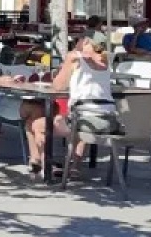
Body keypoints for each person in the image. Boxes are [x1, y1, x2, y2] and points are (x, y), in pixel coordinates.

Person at [29, 31, 117, 175]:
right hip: (108, 120)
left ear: (86, 42)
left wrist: (66, 65)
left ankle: (46, 168)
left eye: (79, 39)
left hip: (84, 121)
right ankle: (74, 166)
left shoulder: (74, 58)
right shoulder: (106, 61)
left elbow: (58, 87)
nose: (76, 42)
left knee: (38, 125)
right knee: (75, 116)